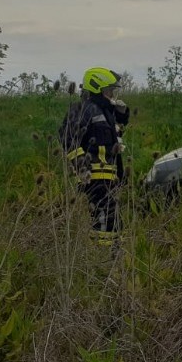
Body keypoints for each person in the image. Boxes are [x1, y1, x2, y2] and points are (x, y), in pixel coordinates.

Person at [59, 67, 130, 247]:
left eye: (112, 91)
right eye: (108, 91)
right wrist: (82, 167)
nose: (111, 95)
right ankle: (102, 254)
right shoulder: (83, 109)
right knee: (105, 218)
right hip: (94, 176)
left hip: (109, 175)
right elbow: (67, 138)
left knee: (111, 217)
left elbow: (113, 137)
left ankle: (111, 253)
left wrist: (121, 116)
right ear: (97, 89)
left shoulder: (104, 111)